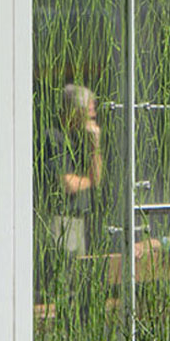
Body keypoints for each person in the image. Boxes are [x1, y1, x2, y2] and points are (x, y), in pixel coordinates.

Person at [45, 83, 104, 257]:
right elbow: (68, 184)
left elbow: (98, 179)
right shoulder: (54, 137)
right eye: (89, 112)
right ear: (74, 111)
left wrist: (95, 147)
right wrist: (89, 181)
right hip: (61, 219)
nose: (92, 117)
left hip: (78, 220)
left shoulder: (79, 138)